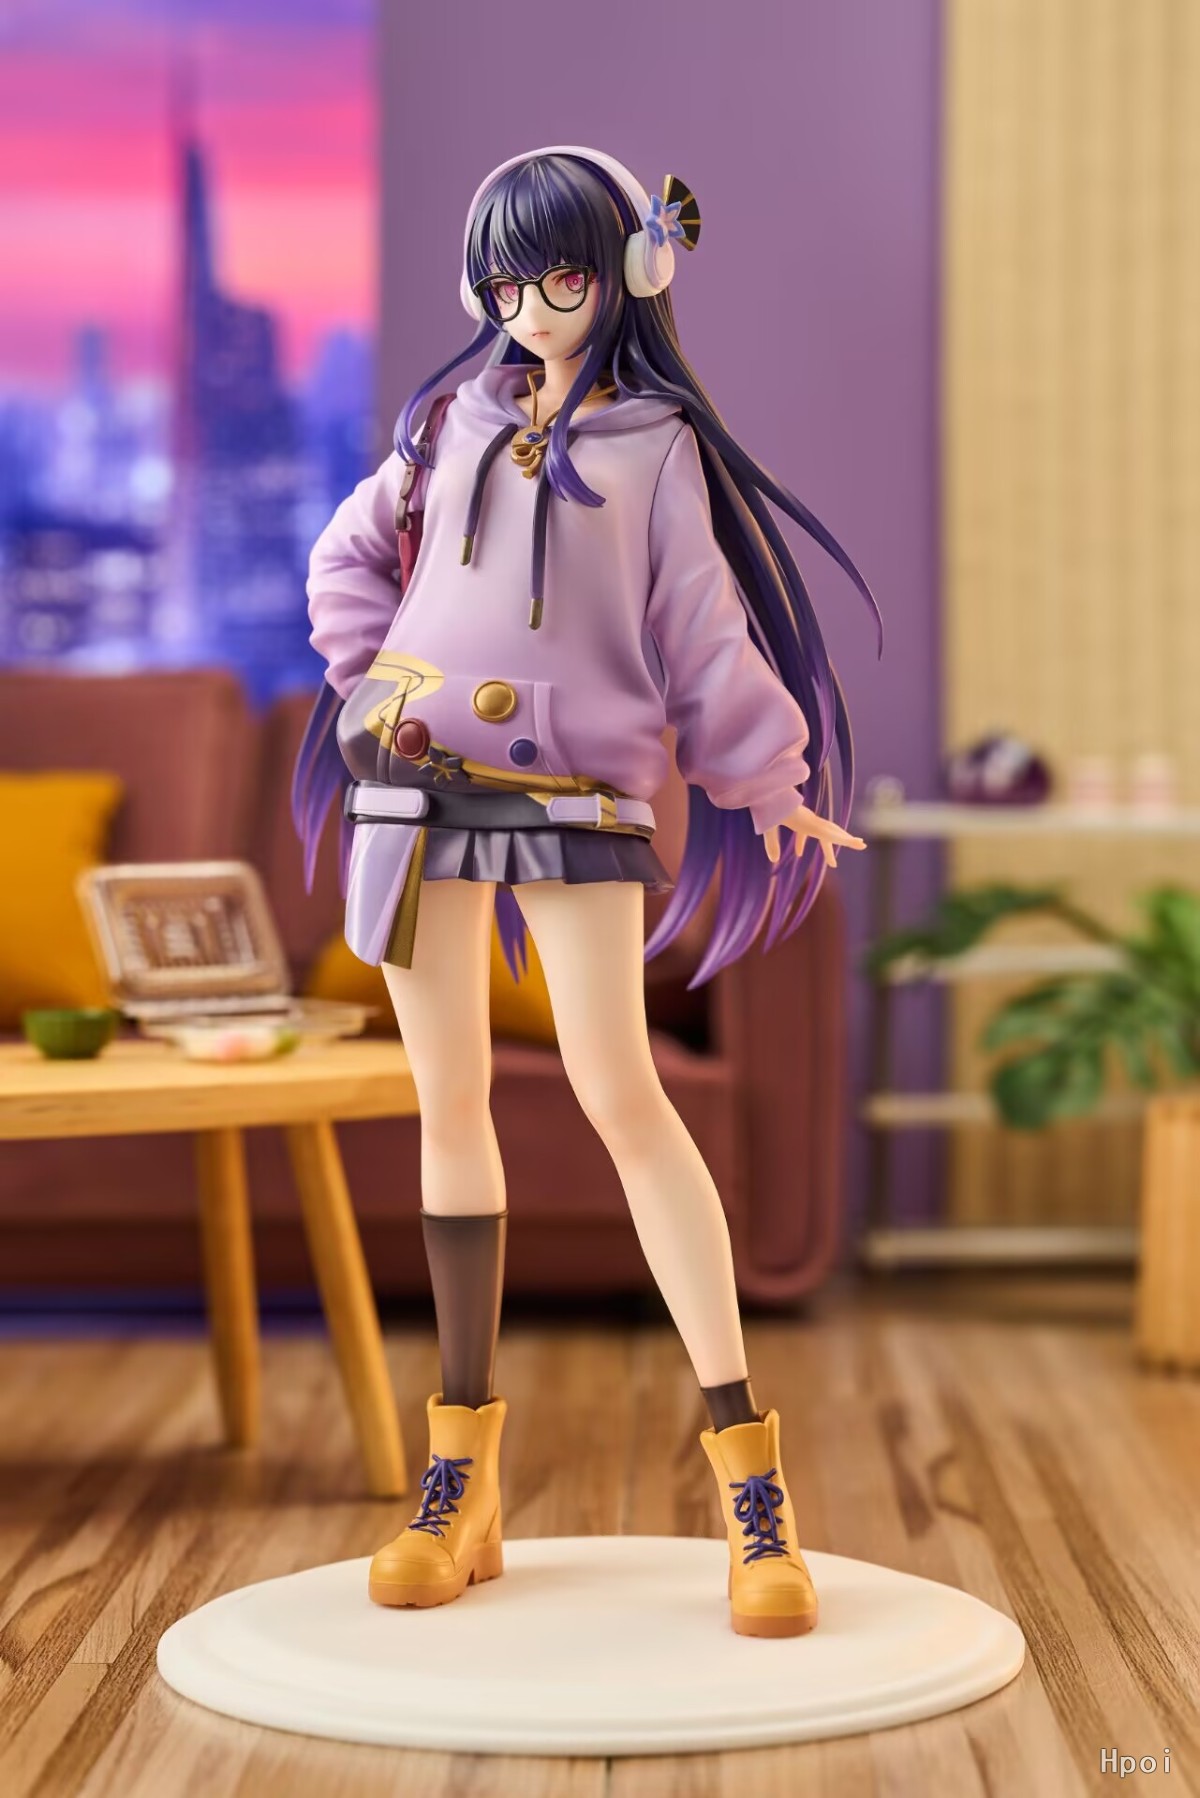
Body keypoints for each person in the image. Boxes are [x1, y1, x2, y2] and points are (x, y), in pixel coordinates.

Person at [294, 145, 878, 1638]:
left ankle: (752, 1484)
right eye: (507, 280)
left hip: (579, 796)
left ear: (627, 273)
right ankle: (460, 1478)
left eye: (560, 275)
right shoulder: (446, 425)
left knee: (623, 1092)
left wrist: (769, 780)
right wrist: (372, 689)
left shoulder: (656, 446)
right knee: (448, 1104)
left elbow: (704, 626)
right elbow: (347, 558)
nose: (532, 306)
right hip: (414, 790)